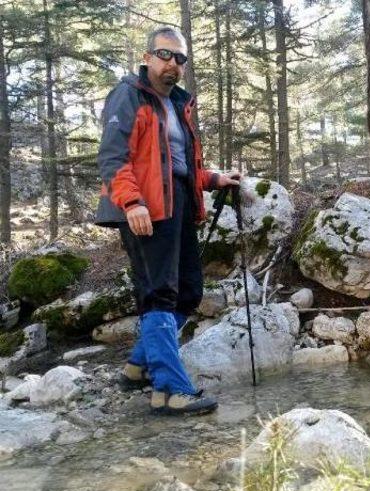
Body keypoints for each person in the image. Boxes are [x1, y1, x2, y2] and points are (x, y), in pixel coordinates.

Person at [95, 26, 239, 415]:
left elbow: (179, 163)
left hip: (176, 205)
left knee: (189, 290)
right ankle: (169, 389)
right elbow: (112, 157)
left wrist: (212, 179)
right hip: (143, 209)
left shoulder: (177, 103)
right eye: (165, 54)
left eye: (180, 58)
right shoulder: (128, 95)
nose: (172, 63)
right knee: (159, 293)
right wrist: (132, 202)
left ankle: (139, 366)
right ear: (147, 57)